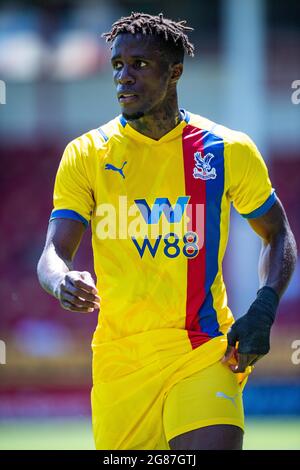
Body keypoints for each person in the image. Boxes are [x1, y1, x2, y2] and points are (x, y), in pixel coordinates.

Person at [37, 12, 297, 450]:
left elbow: (278, 233)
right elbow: (53, 253)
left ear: (174, 71)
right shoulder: (86, 154)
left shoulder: (226, 149)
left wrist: (264, 308)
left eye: (139, 64)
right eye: (118, 65)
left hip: (201, 349)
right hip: (121, 362)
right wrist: (61, 280)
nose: (124, 76)